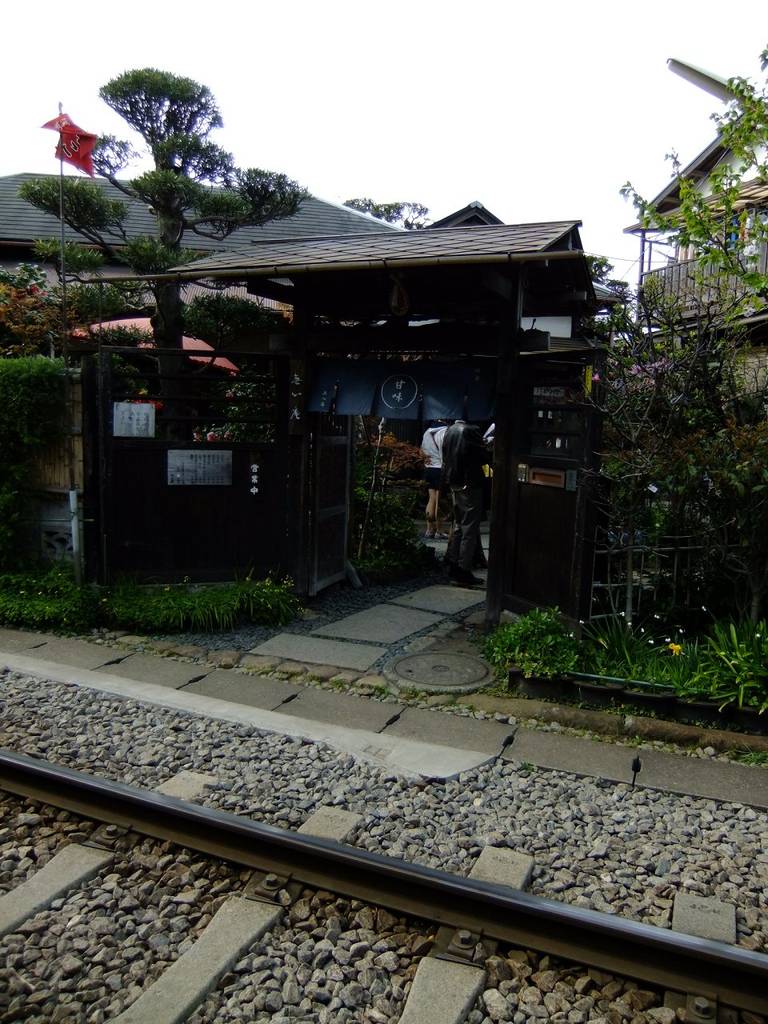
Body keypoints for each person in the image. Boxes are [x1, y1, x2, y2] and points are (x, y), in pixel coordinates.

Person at [441, 419, 489, 587]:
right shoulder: (471, 430)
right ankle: (463, 568)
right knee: (469, 527)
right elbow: (482, 457)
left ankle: (453, 563)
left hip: (454, 480)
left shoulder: (450, 430)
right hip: (470, 482)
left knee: (459, 525)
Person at [420, 421, 448, 539]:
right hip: (439, 469)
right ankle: (439, 530)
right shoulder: (445, 432)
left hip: (429, 469)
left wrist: (426, 459)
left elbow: (421, 451)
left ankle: (429, 530)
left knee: (431, 499)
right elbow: (445, 453)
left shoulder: (427, 432)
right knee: (439, 500)